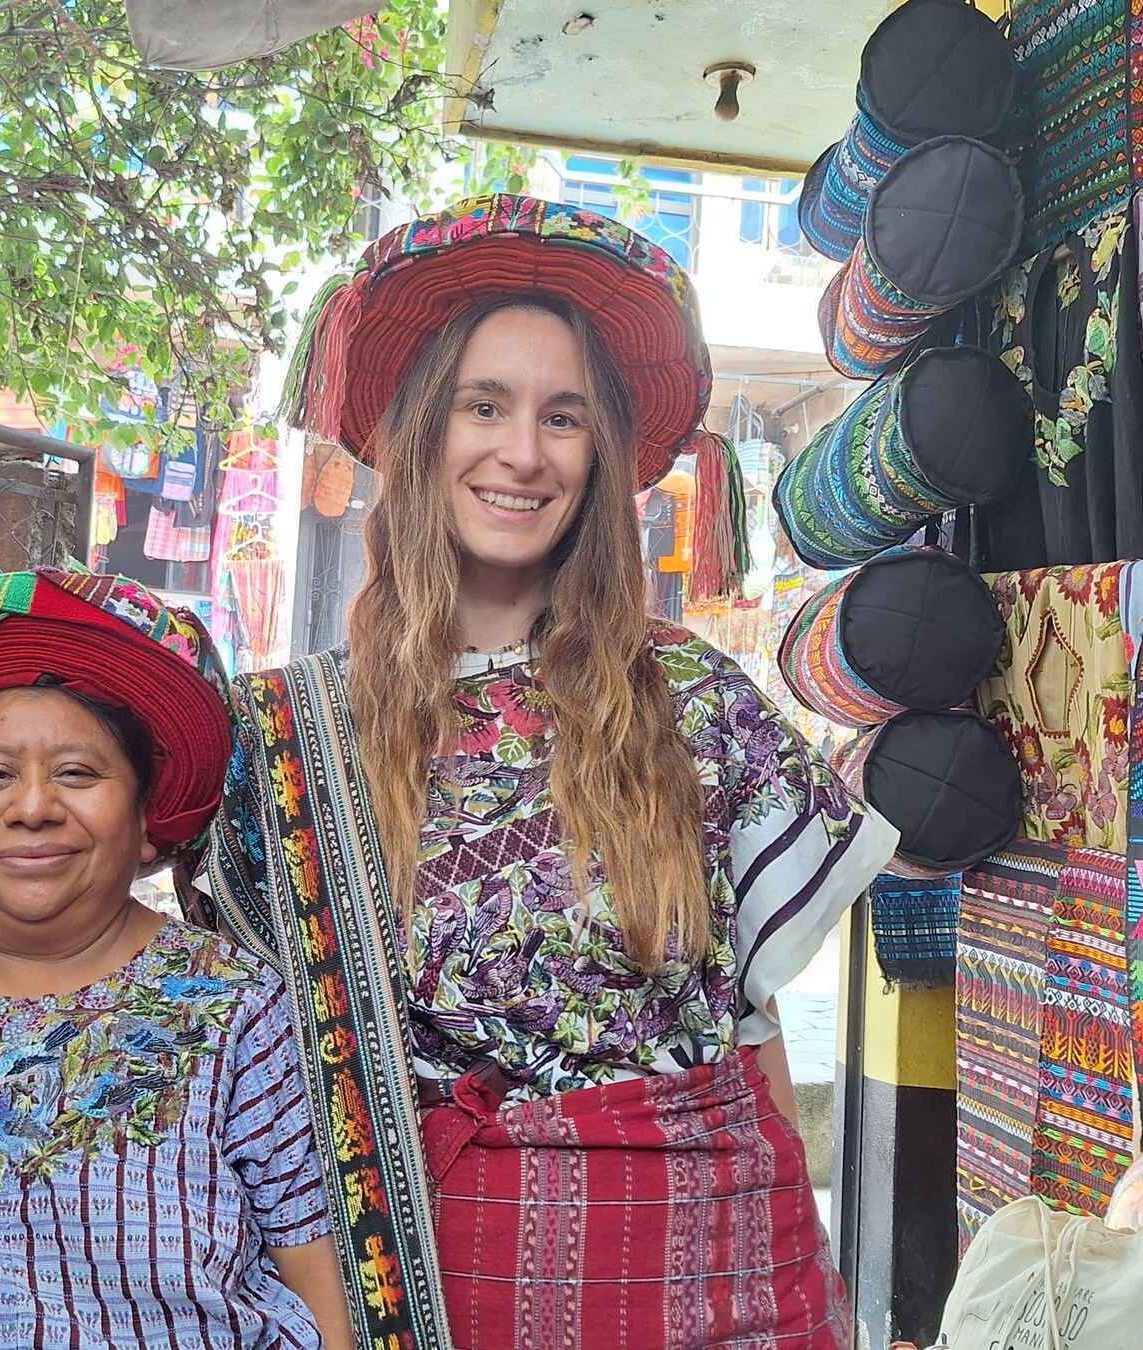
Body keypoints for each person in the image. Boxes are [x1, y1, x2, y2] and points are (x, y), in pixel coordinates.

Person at [197, 194, 901, 1349]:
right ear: (426, 431)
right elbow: (260, 1101)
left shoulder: (696, 705)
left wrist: (809, 1295)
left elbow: (749, 1026)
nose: (523, 453)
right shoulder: (293, 739)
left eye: (563, 417)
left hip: (721, 1276)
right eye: (486, 405)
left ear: (602, 455)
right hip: (442, 1285)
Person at [0, 568, 353, 1348]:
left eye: (78, 773)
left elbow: (319, 1278)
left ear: (146, 819)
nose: (35, 806)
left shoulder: (241, 1012)